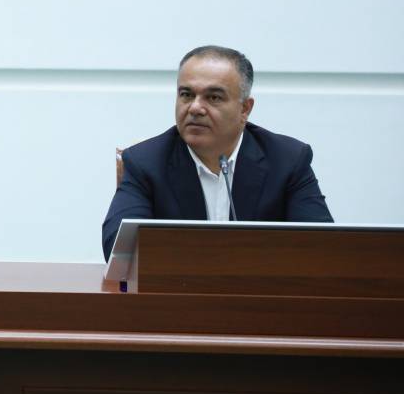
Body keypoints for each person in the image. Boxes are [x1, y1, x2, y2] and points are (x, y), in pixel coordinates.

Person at [102, 45, 332, 259]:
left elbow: (322, 249)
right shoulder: (145, 162)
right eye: (186, 94)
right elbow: (120, 251)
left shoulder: (287, 160)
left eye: (213, 97)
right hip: (179, 289)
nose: (195, 108)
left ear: (245, 109)